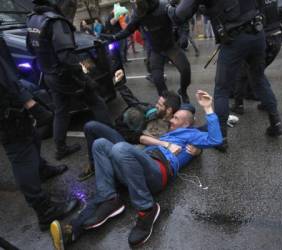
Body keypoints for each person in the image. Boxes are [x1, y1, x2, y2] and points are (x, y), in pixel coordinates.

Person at [49, 90, 222, 249]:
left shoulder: (189, 135)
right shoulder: (166, 130)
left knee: (120, 149)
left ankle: (147, 209)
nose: (171, 120)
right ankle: (73, 230)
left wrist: (208, 108)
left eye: (175, 118)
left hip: (158, 171)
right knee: (100, 144)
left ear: (186, 125)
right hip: (137, 166)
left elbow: (215, 139)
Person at [168, 0, 282, 151]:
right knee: (259, 79)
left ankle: (221, 138)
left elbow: (179, 15)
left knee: (222, 89)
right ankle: (276, 123)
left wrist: (169, 8)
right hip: (257, 33)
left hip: (234, 39)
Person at [27, 0, 113, 160]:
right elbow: (67, 57)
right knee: (96, 102)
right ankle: (113, 141)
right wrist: (85, 79)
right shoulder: (56, 22)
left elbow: (31, 48)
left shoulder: (33, 19)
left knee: (61, 112)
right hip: (66, 76)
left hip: (50, 74)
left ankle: (60, 148)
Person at [0, 53, 78, 231]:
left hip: (11, 102)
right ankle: (45, 210)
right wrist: (31, 104)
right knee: (20, 153)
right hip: (6, 109)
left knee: (32, 136)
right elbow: (4, 76)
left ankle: (41, 169)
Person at [77, 69, 182, 181]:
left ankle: (98, 167)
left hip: (127, 146)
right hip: (125, 135)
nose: (156, 105)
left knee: (92, 127)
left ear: (169, 110)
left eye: (160, 105)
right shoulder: (155, 112)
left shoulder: (165, 127)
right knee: (92, 126)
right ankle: (96, 163)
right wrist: (120, 84)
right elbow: (135, 103)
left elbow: (139, 139)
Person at [100, 0, 192, 103]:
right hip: (156, 50)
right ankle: (167, 102)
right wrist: (114, 37)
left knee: (185, 70)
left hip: (170, 46)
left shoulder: (164, 6)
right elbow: (128, 30)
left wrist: (184, 35)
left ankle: (183, 91)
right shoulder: (137, 13)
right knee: (157, 79)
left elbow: (180, 19)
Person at [231, 0, 282, 115]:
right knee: (256, 73)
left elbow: (250, 19)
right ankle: (255, 96)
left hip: (264, 38)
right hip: (277, 37)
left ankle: (239, 105)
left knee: (245, 74)